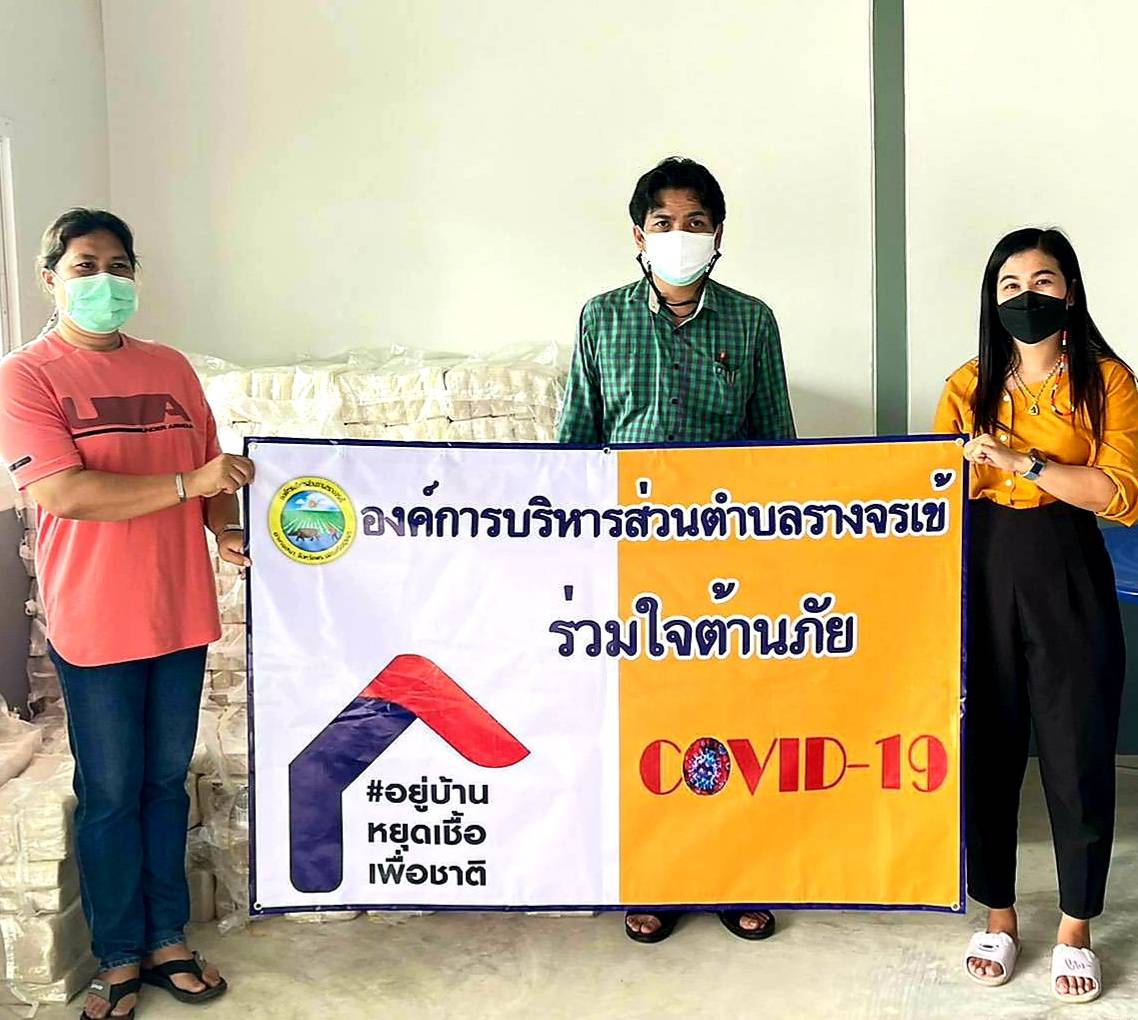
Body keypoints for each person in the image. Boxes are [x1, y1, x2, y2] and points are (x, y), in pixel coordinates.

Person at [0, 210, 255, 1020]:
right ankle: (117, 952)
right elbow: (63, 491)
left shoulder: (170, 367)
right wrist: (189, 486)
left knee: (163, 782)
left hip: (179, 611)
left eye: (118, 265)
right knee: (110, 790)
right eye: (85, 265)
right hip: (96, 619)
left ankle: (166, 938)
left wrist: (227, 530)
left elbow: (211, 470)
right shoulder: (26, 375)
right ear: (50, 278)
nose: (104, 280)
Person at [558, 157, 795, 944]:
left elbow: (777, 448)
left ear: (718, 234)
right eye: (664, 223)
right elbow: (575, 445)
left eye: (695, 222)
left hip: (723, 562)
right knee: (644, 719)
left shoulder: (751, 322)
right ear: (639, 236)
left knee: (727, 715)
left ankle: (732, 871)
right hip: (629, 559)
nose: (679, 235)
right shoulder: (601, 319)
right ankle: (654, 873)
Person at [934, 228, 1138, 1004]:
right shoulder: (967, 384)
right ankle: (999, 914)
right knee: (988, 746)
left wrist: (1022, 462)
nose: (1027, 296)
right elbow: (935, 493)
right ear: (993, 300)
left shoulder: (1107, 382)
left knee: (1076, 744)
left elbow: (1119, 495)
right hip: (983, 569)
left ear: (1071, 292)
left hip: (1069, 565)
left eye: (1043, 281)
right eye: (1011, 285)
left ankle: (1076, 926)